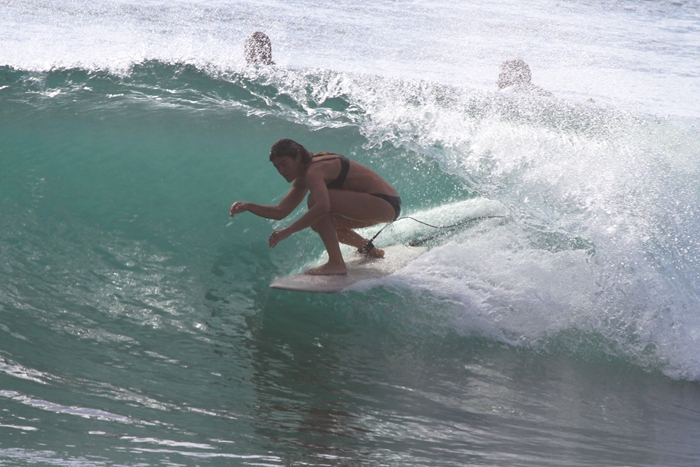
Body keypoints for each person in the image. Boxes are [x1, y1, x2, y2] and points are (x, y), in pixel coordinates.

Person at [230, 139, 401, 275]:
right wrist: (249, 206)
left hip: (384, 203)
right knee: (320, 224)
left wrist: (288, 231)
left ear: (298, 157)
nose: (281, 171)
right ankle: (369, 250)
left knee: (315, 203)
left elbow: (322, 207)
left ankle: (336, 263)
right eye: (277, 167)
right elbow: (280, 211)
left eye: (284, 164)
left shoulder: (313, 171)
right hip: (383, 207)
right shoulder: (303, 175)